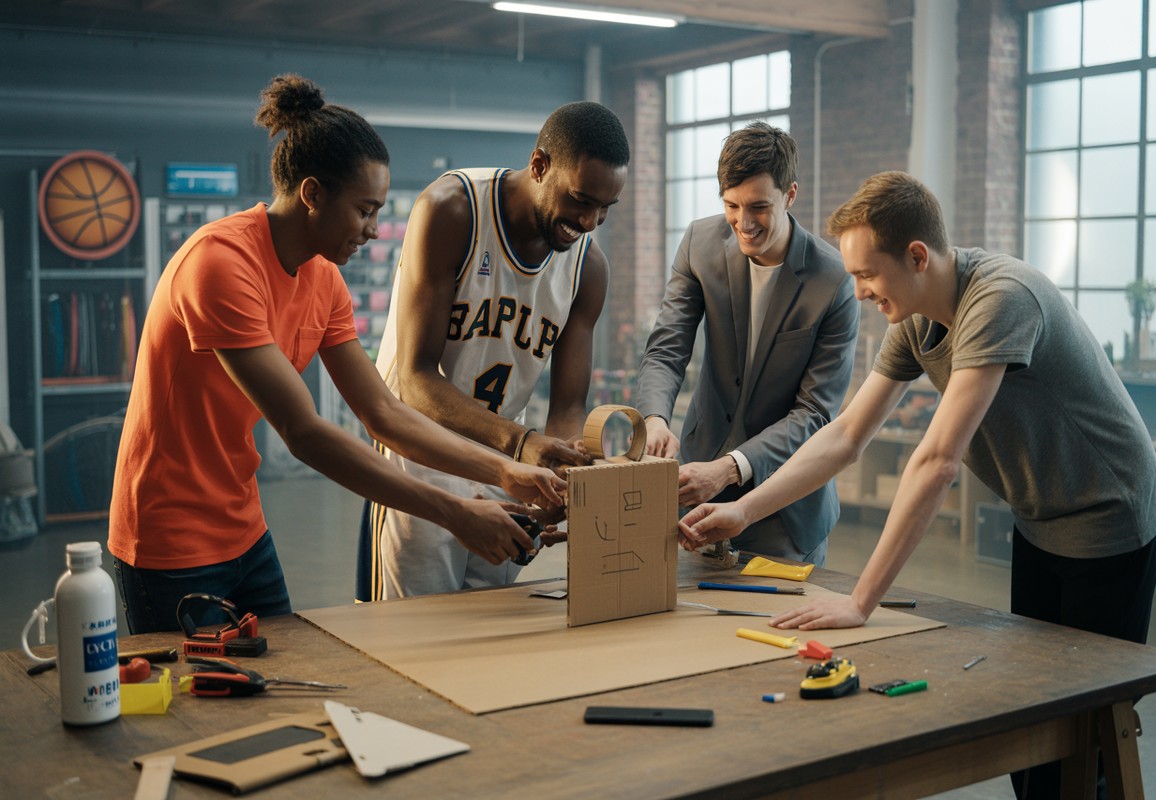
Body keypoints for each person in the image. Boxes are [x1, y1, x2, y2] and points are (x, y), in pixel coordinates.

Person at [679, 171, 1156, 797]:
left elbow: (937, 460)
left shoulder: (1000, 298)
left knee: (1086, 733)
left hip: (1112, 520)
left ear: (917, 256)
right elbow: (846, 435)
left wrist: (860, 601)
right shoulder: (913, 320)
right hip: (1040, 520)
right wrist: (743, 511)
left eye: (867, 275)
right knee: (1033, 729)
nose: (857, 293)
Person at [109, 74, 564, 634]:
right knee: (193, 707)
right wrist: (454, 513)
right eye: (365, 210)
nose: (374, 231)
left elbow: (385, 413)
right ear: (312, 194)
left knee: (277, 682)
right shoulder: (220, 264)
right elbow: (304, 433)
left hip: (243, 526)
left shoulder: (323, 278)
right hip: (168, 539)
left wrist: (507, 471)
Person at [355, 101, 630, 600]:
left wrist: (560, 472)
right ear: (540, 165)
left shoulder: (588, 268)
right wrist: (522, 444)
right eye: (580, 200)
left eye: (606, 209)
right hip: (423, 456)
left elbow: (568, 404)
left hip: (511, 463)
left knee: (493, 626)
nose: (590, 221)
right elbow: (416, 379)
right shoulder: (453, 209)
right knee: (408, 640)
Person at [634, 121, 859, 564]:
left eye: (759, 207)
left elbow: (814, 414)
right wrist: (655, 418)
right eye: (731, 206)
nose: (744, 223)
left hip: (786, 508)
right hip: (694, 492)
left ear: (790, 195)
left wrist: (730, 468)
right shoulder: (700, 243)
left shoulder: (833, 281)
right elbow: (667, 347)